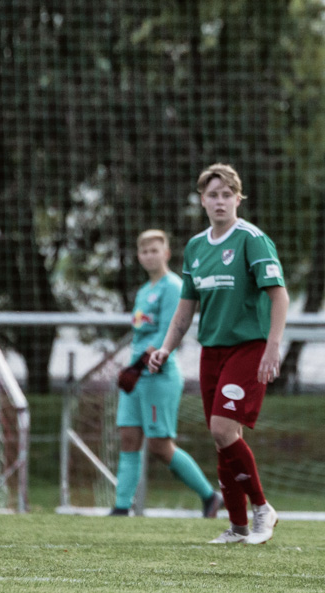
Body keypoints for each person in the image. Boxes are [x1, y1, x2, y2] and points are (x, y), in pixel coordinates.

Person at [147, 164, 288, 545]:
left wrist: (273, 346)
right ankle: (239, 527)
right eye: (213, 194)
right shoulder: (195, 247)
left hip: (249, 347)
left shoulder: (252, 240)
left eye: (227, 194)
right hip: (212, 351)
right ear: (202, 200)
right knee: (223, 438)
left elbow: (279, 295)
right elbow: (185, 308)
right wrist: (165, 348)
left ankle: (262, 509)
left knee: (222, 428)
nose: (220, 201)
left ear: (238, 199)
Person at [110, 229, 221, 519]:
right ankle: (122, 508)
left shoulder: (173, 286)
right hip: (136, 376)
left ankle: (210, 497)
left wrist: (138, 364)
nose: (149, 256)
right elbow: (140, 333)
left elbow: (167, 332)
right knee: (128, 436)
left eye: (154, 250)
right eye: (144, 251)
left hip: (158, 375)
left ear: (166, 254)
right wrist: (131, 366)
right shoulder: (143, 291)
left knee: (160, 445)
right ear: (138, 256)